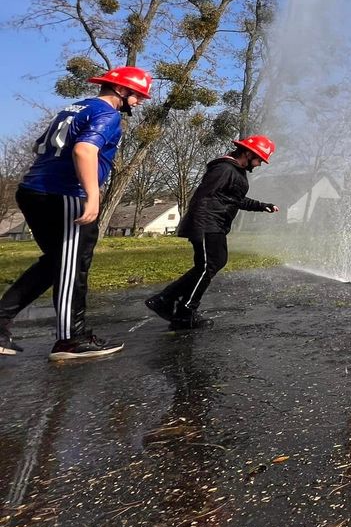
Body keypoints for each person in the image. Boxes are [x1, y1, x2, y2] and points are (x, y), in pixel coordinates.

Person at [0, 65, 153, 360]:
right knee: (74, 265)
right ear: (121, 90)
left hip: (33, 190)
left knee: (56, 263)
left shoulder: (73, 108)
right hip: (66, 194)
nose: (140, 101)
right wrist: (92, 196)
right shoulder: (108, 114)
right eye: (138, 95)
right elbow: (84, 150)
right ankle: (71, 339)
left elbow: (40, 145)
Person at [145, 136, 279, 329]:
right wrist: (198, 228)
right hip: (207, 223)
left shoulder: (235, 171)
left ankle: (170, 302)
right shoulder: (224, 169)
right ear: (248, 153)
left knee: (215, 262)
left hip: (216, 224)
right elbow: (203, 197)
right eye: (259, 159)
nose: (259, 164)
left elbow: (235, 199)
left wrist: (262, 206)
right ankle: (182, 309)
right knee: (209, 265)